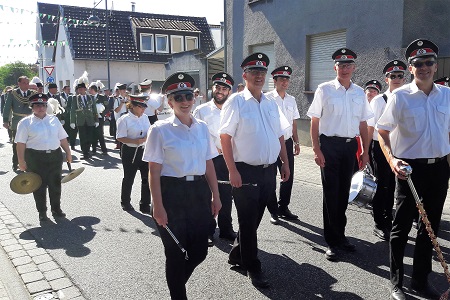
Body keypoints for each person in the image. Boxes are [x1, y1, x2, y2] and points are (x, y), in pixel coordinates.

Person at [377, 39, 450, 300]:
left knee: (429, 228)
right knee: (401, 227)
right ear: (411, 68)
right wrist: (392, 160)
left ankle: (420, 280)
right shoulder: (399, 97)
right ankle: (396, 282)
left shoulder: (447, 95)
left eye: (429, 62)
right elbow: (382, 132)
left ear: (435, 64)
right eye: (419, 63)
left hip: (440, 169)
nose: (425, 67)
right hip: (410, 170)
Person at [143, 72, 221, 300]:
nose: (185, 102)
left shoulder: (202, 127)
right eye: (179, 98)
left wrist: (216, 196)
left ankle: (176, 284)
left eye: (189, 96)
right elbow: (153, 172)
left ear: (194, 97)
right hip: (171, 194)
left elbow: (209, 164)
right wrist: (157, 206)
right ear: (170, 101)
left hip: (198, 193)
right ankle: (178, 295)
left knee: (199, 252)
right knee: (176, 253)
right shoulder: (159, 129)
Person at [219, 52, 290, 288]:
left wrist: (285, 163)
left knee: (255, 218)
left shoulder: (270, 101)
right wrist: (232, 171)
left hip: (268, 170)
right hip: (244, 170)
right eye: (254, 72)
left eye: (262, 72)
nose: (259, 76)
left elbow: (280, 134)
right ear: (245, 75)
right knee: (248, 221)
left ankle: (239, 253)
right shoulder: (236, 101)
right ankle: (253, 266)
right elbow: (225, 137)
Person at [307, 48, 373, 261]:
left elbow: (363, 123)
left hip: (350, 147)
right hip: (330, 146)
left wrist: (365, 151)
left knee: (345, 192)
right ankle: (332, 241)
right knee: (331, 193)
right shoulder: (324, 90)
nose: (345, 69)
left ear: (354, 67)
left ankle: (341, 235)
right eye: (341, 65)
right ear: (335, 67)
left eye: (348, 65)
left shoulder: (359, 92)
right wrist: (316, 149)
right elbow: (314, 121)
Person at [193, 72, 237, 244]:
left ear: (229, 91)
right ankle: (208, 230)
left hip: (228, 160)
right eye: (217, 87)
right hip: (209, 159)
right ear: (212, 88)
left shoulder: (233, 110)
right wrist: (214, 148)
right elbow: (195, 136)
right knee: (207, 194)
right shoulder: (201, 110)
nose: (220, 91)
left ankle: (226, 229)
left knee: (227, 195)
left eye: (224, 88)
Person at [15, 93, 72, 221]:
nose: (41, 108)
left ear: (47, 106)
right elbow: (20, 143)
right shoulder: (25, 123)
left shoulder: (54, 120)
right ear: (32, 107)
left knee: (55, 184)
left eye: (43, 105)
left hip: (54, 156)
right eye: (37, 105)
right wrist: (21, 161)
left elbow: (62, 138)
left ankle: (56, 209)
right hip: (35, 158)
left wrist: (68, 153)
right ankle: (42, 212)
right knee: (38, 185)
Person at [367, 60, 407, 241]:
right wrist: (365, 152)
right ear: (387, 78)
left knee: (393, 186)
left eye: (400, 76)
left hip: (399, 149)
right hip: (380, 148)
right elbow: (369, 128)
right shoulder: (378, 100)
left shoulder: (406, 97)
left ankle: (388, 218)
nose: (396, 79)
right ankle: (378, 222)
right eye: (393, 76)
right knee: (381, 186)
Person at [265, 66, 301, 225]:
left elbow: (293, 122)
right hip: (271, 142)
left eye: (287, 79)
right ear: (275, 81)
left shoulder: (291, 99)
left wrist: (296, 141)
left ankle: (283, 207)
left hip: (286, 142)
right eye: (282, 79)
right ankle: (273, 211)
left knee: (288, 176)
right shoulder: (267, 99)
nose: (285, 82)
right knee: (271, 178)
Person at [116, 95, 151, 213]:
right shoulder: (124, 119)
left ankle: (145, 204)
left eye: (144, 107)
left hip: (144, 150)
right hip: (130, 151)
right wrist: (134, 141)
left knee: (146, 178)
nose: (143, 110)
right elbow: (120, 137)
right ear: (134, 106)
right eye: (141, 107)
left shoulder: (145, 117)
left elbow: (149, 131)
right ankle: (125, 202)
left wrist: (148, 137)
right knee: (129, 177)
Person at [2, 76, 33, 171]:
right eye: (24, 83)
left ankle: (28, 163)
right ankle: (15, 163)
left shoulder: (32, 94)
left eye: (27, 83)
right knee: (17, 144)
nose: (26, 85)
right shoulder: (12, 93)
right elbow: (7, 108)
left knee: (30, 144)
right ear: (19, 83)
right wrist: (5, 121)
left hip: (30, 122)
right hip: (17, 122)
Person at [69, 72, 99, 160]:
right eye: (79, 89)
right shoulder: (75, 98)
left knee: (89, 137)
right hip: (81, 121)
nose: (81, 90)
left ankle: (88, 150)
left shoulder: (91, 97)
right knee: (82, 137)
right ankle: (85, 153)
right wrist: (72, 121)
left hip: (90, 120)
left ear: (85, 89)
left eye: (82, 89)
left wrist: (96, 120)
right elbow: (72, 110)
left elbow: (94, 110)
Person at [89, 81, 108, 155]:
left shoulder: (102, 97)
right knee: (93, 133)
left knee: (100, 134)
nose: (89, 91)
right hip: (91, 118)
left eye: (90, 89)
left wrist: (102, 113)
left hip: (100, 118)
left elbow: (107, 108)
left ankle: (104, 150)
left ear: (93, 90)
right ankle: (94, 150)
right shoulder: (89, 97)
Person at [113, 83, 129, 149]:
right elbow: (116, 110)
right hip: (120, 118)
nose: (124, 91)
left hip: (127, 118)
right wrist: (122, 103)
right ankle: (120, 146)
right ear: (119, 91)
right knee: (121, 134)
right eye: (122, 90)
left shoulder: (127, 98)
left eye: (124, 89)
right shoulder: (117, 99)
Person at [65, 81, 79, 151]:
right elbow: (67, 107)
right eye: (78, 90)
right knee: (73, 133)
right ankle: (72, 145)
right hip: (73, 117)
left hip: (81, 118)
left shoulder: (84, 97)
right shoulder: (71, 97)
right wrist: (72, 111)